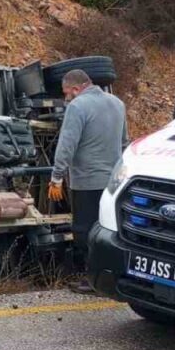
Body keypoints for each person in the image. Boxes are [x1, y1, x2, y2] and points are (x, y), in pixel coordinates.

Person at [48, 69, 128, 293]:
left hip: (86, 181)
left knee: (84, 231)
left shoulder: (78, 106)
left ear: (76, 89)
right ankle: (112, 278)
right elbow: (124, 142)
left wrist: (56, 177)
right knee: (108, 229)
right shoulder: (118, 103)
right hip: (112, 182)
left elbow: (67, 144)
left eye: (66, 93)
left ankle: (92, 281)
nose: (66, 98)